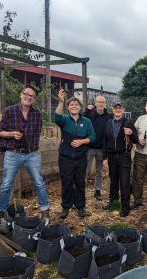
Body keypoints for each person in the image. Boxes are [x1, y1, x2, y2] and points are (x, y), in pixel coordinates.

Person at [0, 85, 49, 222]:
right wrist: (12, 134)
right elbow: (0, 132)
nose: (29, 97)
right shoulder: (9, 111)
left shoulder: (37, 114)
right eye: (26, 94)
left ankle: (45, 212)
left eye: (32, 96)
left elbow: (36, 134)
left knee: (39, 183)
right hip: (13, 153)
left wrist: (37, 150)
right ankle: (1, 213)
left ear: (34, 99)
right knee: (6, 184)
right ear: (21, 95)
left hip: (32, 154)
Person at [54, 90, 96, 219]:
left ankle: (80, 207)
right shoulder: (65, 120)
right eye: (71, 104)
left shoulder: (87, 122)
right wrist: (61, 101)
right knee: (66, 182)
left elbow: (93, 137)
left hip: (81, 158)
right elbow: (57, 117)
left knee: (79, 182)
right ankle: (66, 207)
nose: (74, 106)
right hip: (66, 158)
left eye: (76, 105)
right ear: (68, 107)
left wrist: (82, 141)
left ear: (80, 107)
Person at [102, 101, 139, 217]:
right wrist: (104, 158)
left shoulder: (128, 123)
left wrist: (131, 133)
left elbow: (135, 140)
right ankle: (113, 203)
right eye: (116, 108)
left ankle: (125, 207)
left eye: (120, 108)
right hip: (112, 156)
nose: (118, 110)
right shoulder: (108, 123)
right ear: (113, 110)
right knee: (113, 181)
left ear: (123, 110)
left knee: (124, 183)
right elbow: (105, 142)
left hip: (124, 156)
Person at [84, 95, 112, 200]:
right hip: (89, 148)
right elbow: (82, 117)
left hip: (101, 148)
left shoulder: (109, 117)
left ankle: (98, 190)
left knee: (99, 171)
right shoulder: (89, 114)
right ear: (95, 103)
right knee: (85, 170)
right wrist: (87, 109)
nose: (100, 104)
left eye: (102, 102)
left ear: (105, 104)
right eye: (99, 102)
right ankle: (81, 190)